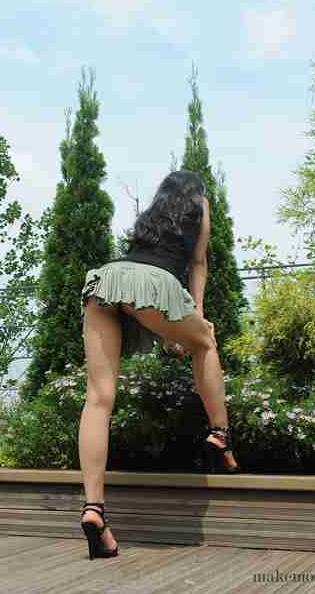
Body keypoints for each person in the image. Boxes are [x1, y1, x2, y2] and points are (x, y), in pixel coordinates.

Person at [78, 170, 240, 560]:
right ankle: (220, 432)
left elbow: (140, 298)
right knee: (206, 342)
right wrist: (196, 313)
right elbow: (197, 263)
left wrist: (172, 330)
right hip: (154, 282)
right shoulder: (200, 203)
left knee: (98, 399)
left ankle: (94, 509)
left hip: (107, 279)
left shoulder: (153, 216)